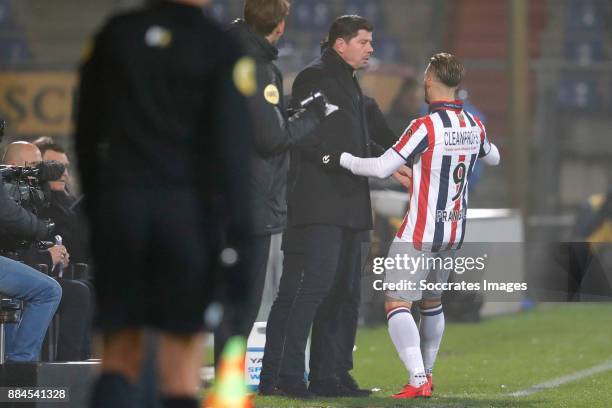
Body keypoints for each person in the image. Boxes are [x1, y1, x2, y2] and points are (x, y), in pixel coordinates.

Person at [75, 0, 254, 407]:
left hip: (122, 210)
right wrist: (241, 233)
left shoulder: (114, 35)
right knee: (180, 363)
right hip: (186, 217)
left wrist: (100, 207)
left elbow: (85, 134)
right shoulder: (217, 45)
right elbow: (233, 152)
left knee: (118, 353)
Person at [337, 53, 500, 398]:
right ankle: (427, 372)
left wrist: (343, 159)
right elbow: (494, 156)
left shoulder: (423, 127)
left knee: (396, 303)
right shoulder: (474, 125)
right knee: (432, 302)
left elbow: (382, 167)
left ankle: (416, 379)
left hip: (419, 231)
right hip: (453, 231)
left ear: (430, 80)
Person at [260, 15, 392, 398]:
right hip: (316, 205)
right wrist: (340, 161)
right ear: (340, 44)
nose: (370, 48)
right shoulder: (312, 79)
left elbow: (358, 140)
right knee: (310, 289)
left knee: (347, 293)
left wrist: (390, 162)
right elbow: (305, 138)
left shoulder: (350, 85)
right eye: (364, 41)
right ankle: (286, 376)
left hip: (350, 205)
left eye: (371, 41)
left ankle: (331, 375)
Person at [215, 0, 331, 368]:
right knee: (244, 302)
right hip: (250, 202)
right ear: (280, 26)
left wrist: (285, 111)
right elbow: (270, 138)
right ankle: (227, 383)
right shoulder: (259, 68)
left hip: (218, 193)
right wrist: (311, 115)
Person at [2, 141, 92, 361]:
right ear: (14, 165)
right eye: (35, 165)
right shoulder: (11, 191)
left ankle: (17, 374)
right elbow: (15, 224)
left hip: (20, 268)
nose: (42, 172)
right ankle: (23, 367)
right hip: (14, 266)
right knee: (49, 291)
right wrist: (45, 245)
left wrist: (49, 248)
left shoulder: (29, 192)